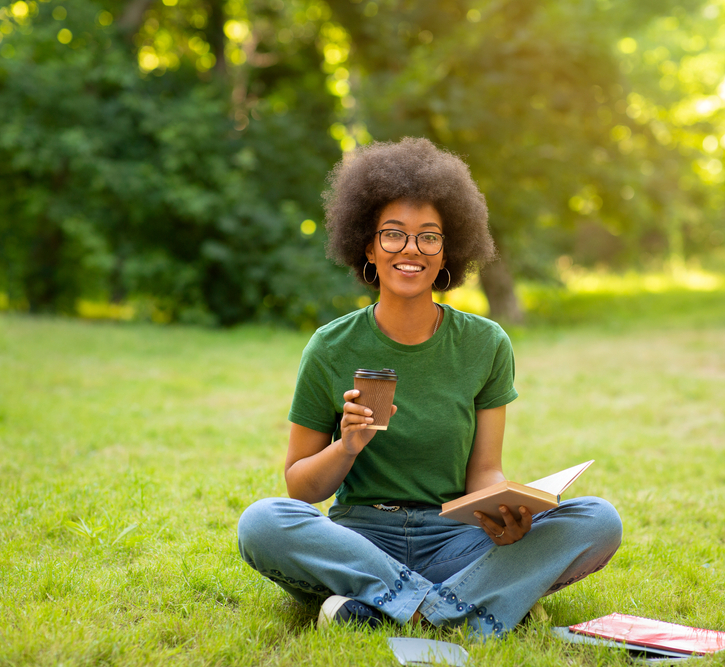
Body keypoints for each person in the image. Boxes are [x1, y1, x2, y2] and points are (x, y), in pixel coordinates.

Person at [237, 137, 622, 638]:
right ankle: (470, 606)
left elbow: (484, 471)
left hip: (456, 541)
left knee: (598, 519)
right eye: (393, 235)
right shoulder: (330, 348)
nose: (410, 250)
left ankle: (383, 606)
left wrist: (504, 513)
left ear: (449, 253)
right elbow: (300, 488)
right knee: (263, 521)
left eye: (429, 237)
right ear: (369, 248)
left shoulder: (485, 344)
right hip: (360, 539)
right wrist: (347, 447)